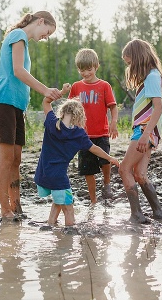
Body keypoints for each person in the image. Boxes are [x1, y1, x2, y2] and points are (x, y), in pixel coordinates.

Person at [0, 11, 63, 221]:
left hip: (15, 107)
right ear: (40, 21)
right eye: (47, 32)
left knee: (16, 159)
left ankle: (16, 206)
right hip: (2, 103)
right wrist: (45, 90)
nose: (45, 38)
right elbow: (18, 71)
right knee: (6, 159)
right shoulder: (18, 36)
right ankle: (5, 211)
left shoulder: (23, 41)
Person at [34, 94, 120, 226]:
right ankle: (69, 232)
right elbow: (95, 148)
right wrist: (109, 158)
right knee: (68, 206)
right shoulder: (79, 134)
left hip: (43, 174)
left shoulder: (51, 122)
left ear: (62, 112)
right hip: (59, 178)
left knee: (58, 200)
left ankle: (50, 225)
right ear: (79, 116)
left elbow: (46, 101)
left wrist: (61, 91)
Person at [119, 38, 162, 223]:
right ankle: (158, 214)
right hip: (146, 131)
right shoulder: (150, 77)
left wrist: (146, 134)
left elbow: (158, 108)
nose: (130, 68)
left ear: (138, 58)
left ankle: (137, 215)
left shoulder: (153, 77)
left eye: (130, 62)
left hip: (144, 130)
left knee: (124, 169)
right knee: (139, 174)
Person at [68, 48, 119, 204]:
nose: (86, 73)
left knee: (105, 161)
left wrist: (113, 123)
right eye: (82, 70)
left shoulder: (104, 86)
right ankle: (93, 200)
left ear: (96, 66)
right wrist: (68, 126)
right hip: (83, 136)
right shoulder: (76, 87)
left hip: (101, 133)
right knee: (87, 169)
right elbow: (69, 108)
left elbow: (113, 106)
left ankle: (107, 183)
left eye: (89, 69)